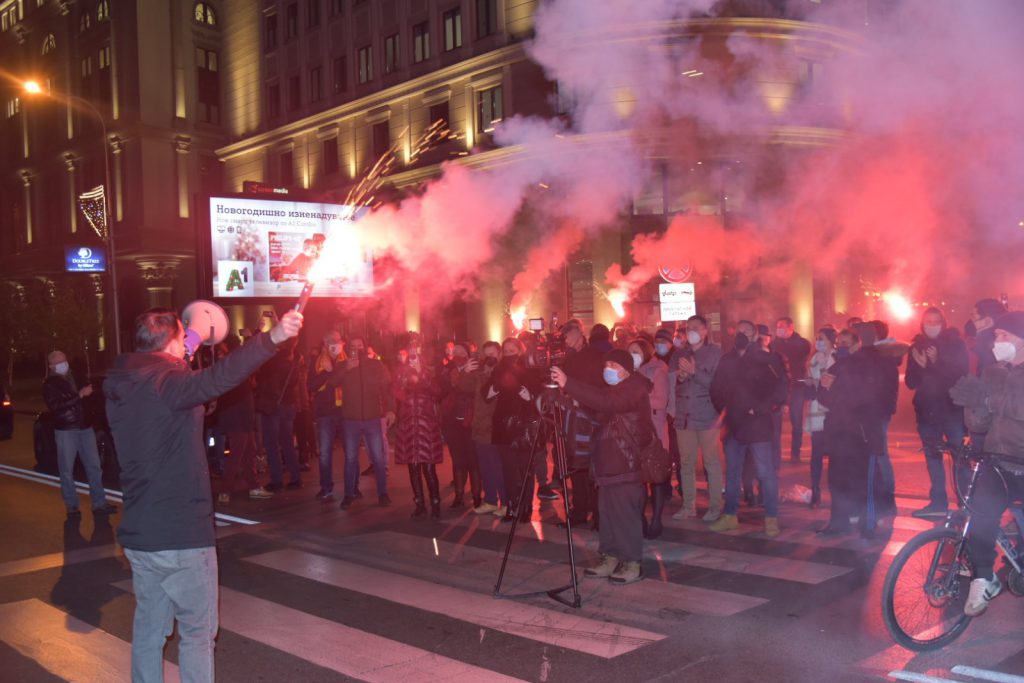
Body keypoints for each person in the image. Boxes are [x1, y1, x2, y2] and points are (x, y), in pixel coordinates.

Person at [105, 307, 302, 682]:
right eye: (183, 337)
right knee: (197, 634)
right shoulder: (169, 385)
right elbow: (217, 378)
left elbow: (175, 368)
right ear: (171, 343)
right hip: (181, 534)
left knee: (149, 631)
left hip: (141, 536)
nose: (186, 342)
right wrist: (271, 339)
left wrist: (188, 340)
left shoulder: (125, 382)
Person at [551, 348, 652, 585]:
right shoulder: (616, 390)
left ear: (626, 370)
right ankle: (610, 557)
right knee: (607, 515)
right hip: (608, 464)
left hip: (625, 464)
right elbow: (598, 411)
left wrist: (570, 383)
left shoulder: (635, 388)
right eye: (606, 364)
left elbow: (606, 402)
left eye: (614, 365)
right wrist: (569, 401)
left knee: (625, 516)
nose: (608, 369)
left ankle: (632, 562)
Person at [951, 311, 1024, 616]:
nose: (998, 341)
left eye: (1004, 335)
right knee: (980, 513)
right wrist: (973, 402)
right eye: (996, 336)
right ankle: (984, 576)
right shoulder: (995, 371)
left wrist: (997, 400)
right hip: (999, 458)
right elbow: (981, 424)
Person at [709, 321, 788, 537]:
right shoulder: (727, 360)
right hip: (734, 425)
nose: (741, 335)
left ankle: (771, 517)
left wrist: (760, 409)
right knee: (733, 472)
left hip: (758, 425)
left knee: (766, 473)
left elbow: (781, 389)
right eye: (739, 331)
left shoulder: (766, 359)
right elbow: (716, 388)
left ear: (755, 335)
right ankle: (730, 515)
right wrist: (725, 410)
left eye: (747, 331)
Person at [905, 307, 969, 518]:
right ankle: (938, 502)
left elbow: (961, 374)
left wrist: (936, 362)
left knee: (959, 459)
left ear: (943, 322)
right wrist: (922, 365)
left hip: (951, 410)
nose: (931, 325)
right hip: (927, 411)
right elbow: (911, 382)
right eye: (927, 321)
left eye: (935, 321)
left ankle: (965, 503)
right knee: (933, 459)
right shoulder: (916, 347)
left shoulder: (955, 344)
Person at [43, 350, 116, 518]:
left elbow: (90, 397)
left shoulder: (77, 376)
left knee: (94, 467)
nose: (63, 364)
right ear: (52, 366)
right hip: (66, 430)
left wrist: (89, 402)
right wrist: (79, 395)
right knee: (67, 470)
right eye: (59, 362)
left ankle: (99, 503)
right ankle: (72, 505)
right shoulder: (50, 384)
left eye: (64, 360)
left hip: (85, 427)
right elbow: (57, 407)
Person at [671, 315, 724, 522]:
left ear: (705, 330)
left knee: (711, 462)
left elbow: (717, 385)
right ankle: (688, 505)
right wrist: (680, 377)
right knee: (686, 464)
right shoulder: (679, 354)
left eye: (695, 328)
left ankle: (715, 505)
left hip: (707, 415)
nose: (691, 331)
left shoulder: (715, 353)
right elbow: (673, 381)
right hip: (684, 417)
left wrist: (693, 372)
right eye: (688, 328)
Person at [337, 335, 395, 509]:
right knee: (350, 458)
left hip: (372, 418)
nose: (357, 348)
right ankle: (349, 494)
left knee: (378, 457)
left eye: (359, 345)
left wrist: (391, 409)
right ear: (349, 348)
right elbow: (332, 382)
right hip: (351, 420)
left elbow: (387, 387)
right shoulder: (343, 365)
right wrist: (345, 369)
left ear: (365, 347)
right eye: (353, 345)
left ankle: (383, 494)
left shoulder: (375, 365)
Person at [557, 320, 605, 526]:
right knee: (576, 467)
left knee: (594, 468)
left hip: (591, 416)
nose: (567, 337)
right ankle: (578, 513)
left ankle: (598, 514)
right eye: (564, 334)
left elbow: (598, 386)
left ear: (580, 332)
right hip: (572, 416)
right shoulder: (563, 357)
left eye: (570, 332)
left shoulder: (593, 355)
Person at [486, 338, 536, 522]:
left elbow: (538, 398)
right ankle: (512, 506)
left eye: (512, 350)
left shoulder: (529, 370)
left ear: (520, 350)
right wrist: (494, 388)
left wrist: (529, 397)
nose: (508, 354)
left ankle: (526, 507)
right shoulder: (499, 370)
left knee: (524, 470)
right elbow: (486, 395)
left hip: (522, 427)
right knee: (508, 470)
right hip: (503, 426)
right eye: (505, 350)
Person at [215, 338, 269, 504]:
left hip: (239, 416)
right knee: (238, 454)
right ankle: (225, 490)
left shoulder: (228, 368)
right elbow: (238, 394)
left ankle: (254, 486)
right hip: (239, 417)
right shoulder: (234, 369)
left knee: (248, 452)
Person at [393, 348, 443, 519]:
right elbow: (397, 394)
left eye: (416, 360)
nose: (412, 363)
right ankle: (419, 504)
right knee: (413, 468)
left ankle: (436, 504)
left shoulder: (429, 377)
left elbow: (438, 392)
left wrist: (421, 375)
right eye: (410, 360)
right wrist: (403, 378)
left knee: (429, 469)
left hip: (426, 428)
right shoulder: (402, 377)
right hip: (409, 429)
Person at [629, 338, 672, 538]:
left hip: (653, 428)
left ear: (645, 353)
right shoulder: (628, 372)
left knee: (656, 476)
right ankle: (640, 519)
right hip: (634, 430)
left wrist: (637, 398)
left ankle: (656, 519)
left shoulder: (658, 370)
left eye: (636, 351)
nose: (632, 355)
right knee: (637, 478)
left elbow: (661, 401)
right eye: (629, 351)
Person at [463, 341, 507, 515]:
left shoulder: (504, 372)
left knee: (498, 467)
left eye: (493, 354)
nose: (489, 358)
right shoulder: (478, 374)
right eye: (486, 354)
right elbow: (463, 387)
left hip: (497, 428)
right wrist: (466, 371)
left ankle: (505, 502)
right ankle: (490, 500)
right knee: (486, 466)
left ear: (500, 354)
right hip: (480, 427)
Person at [255, 338, 303, 491]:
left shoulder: (274, 362)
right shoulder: (295, 361)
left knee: (271, 443)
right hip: (289, 404)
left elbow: (271, 385)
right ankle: (295, 477)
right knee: (287, 442)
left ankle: (277, 480)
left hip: (274, 405)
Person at [440, 342, 482, 509]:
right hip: (452, 421)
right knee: (457, 460)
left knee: (473, 459)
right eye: (454, 351)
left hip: (470, 420)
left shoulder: (475, 369)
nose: (457, 354)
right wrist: (460, 371)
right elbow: (444, 389)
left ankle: (477, 496)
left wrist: (467, 372)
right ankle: (458, 496)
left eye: (461, 351)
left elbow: (476, 390)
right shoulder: (447, 370)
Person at [308, 331, 346, 502]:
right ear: (325, 344)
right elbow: (312, 385)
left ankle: (353, 487)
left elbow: (347, 380)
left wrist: (334, 370)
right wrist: (328, 372)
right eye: (331, 341)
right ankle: (326, 487)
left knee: (350, 452)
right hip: (325, 413)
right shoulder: (317, 362)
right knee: (324, 453)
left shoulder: (347, 361)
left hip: (346, 411)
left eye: (338, 341)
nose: (335, 344)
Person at [771, 317, 812, 464]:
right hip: (780, 387)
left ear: (790, 327)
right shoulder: (775, 343)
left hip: (797, 386)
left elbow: (798, 352)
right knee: (776, 422)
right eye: (777, 326)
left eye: (781, 326)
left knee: (796, 420)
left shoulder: (802, 343)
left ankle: (796, 453)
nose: (779, 329)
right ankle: (776, 454)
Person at [804, 327, 837, 508]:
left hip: (832, 413)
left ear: (832, 340)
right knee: (816, 454)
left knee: (834, 455)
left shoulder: (836, 358)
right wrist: (809, 384)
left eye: (822, 338)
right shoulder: (814, 359)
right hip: (817, 413)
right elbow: (811, 384)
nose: (818, 341)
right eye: (817, 338)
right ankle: (815, 490)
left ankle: (835, 491)